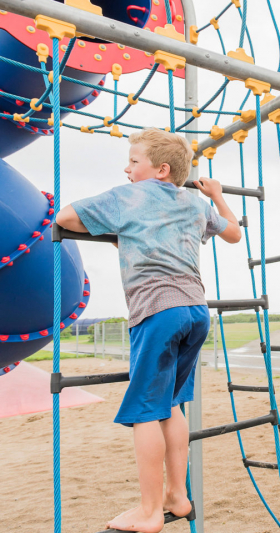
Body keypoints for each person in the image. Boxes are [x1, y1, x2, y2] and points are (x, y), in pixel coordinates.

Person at [55, 128, 241, 533]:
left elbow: (64, 217)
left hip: (157, 313)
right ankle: (177, 495)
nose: (127, 169)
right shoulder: (194, 202)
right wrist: (217, 195)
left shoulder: (129, 197)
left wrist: (116, 231)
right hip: (196, 311)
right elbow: (233, 232)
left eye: (133, 161)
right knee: (171, 405)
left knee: (145, 412)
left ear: (161, 169)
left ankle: (150, 510)